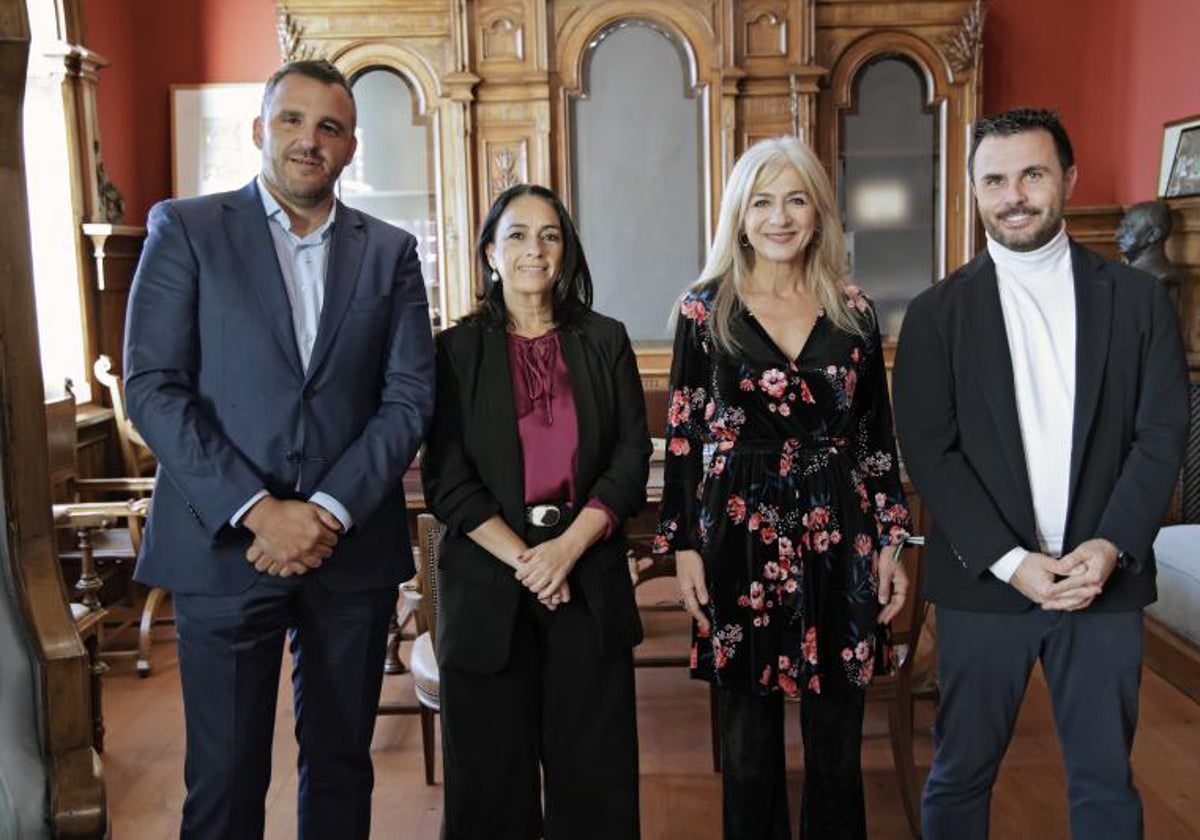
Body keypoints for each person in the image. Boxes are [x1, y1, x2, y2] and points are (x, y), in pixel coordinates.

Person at [123, 60, 434, 839]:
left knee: (340, 768)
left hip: (350, 546)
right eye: (292, 121)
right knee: (225, 780)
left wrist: (324, 511)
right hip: (222, 546)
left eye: (329, 126)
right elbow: (154, 388)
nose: (309, 140)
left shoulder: (390, 251)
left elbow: (408, 398)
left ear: (350, 147)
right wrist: (260, 511)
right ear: (260, 131)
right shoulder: (186, 229)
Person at [892, 108, 1189, 839]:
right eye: (994, 179)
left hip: (1104, 581)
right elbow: (931, 452)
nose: (1014, 194)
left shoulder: (1139, 302)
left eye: (1032, 173)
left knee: (1105, 784)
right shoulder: (934, 316)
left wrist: (1112, 543)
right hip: (986, 584)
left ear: (1068, 179)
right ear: (974, 190)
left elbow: (1161, 434)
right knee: (960, 776)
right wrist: (1011, 560)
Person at [655, 136, 912, 839]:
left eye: (796, 199)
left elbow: (873, 440)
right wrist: (682, 548)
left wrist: (892, 544)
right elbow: (683, 438)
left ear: (820, 213)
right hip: (736, 530)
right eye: (762, 201)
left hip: (841, 527)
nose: (779, 216)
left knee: (837, 744)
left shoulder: (856, 311)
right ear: (739, 215)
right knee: (746, 744)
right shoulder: (703, 310)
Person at [421, 183, 651, 839]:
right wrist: (530, 561)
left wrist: (565, 550)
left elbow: (630, 459)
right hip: (490, 586)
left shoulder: (606, 340)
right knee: (489, 790)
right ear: (491, 251)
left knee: (595, 786)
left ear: (566, 251)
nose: (534, 248)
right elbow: (448, 480)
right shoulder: (454, 352)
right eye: (517, 234)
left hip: (587, 582)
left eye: (549, 234)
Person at [1117, 198, 1182, 307]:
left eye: (1129, 228)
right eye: (1122, 227)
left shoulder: (1162, 278)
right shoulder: (1127, 271)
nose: (1118, 234)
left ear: (1153, 235)